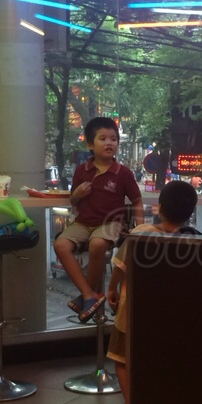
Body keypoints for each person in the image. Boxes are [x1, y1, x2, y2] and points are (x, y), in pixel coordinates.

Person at [106, 180, 198, 404]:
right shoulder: (190, 241)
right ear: (190, 213)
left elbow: (120, 266)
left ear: (159, 206)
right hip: (166, 316)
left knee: (121, 359)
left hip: (132, 312)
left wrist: (112, 289)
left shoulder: (141, 234)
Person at [54, 116, 143, 322]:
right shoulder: (81, 170)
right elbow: (73, 201)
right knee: (60, 245)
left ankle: (87, 296)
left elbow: (137, 200)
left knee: (97, 244)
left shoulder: (123, 173)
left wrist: (140, 227)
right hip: (83, 222)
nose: (109, 143)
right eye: (102, 139)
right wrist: (78, 194)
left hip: (111, 223)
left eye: (113, 139)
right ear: (89, 145)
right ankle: (89, 294)